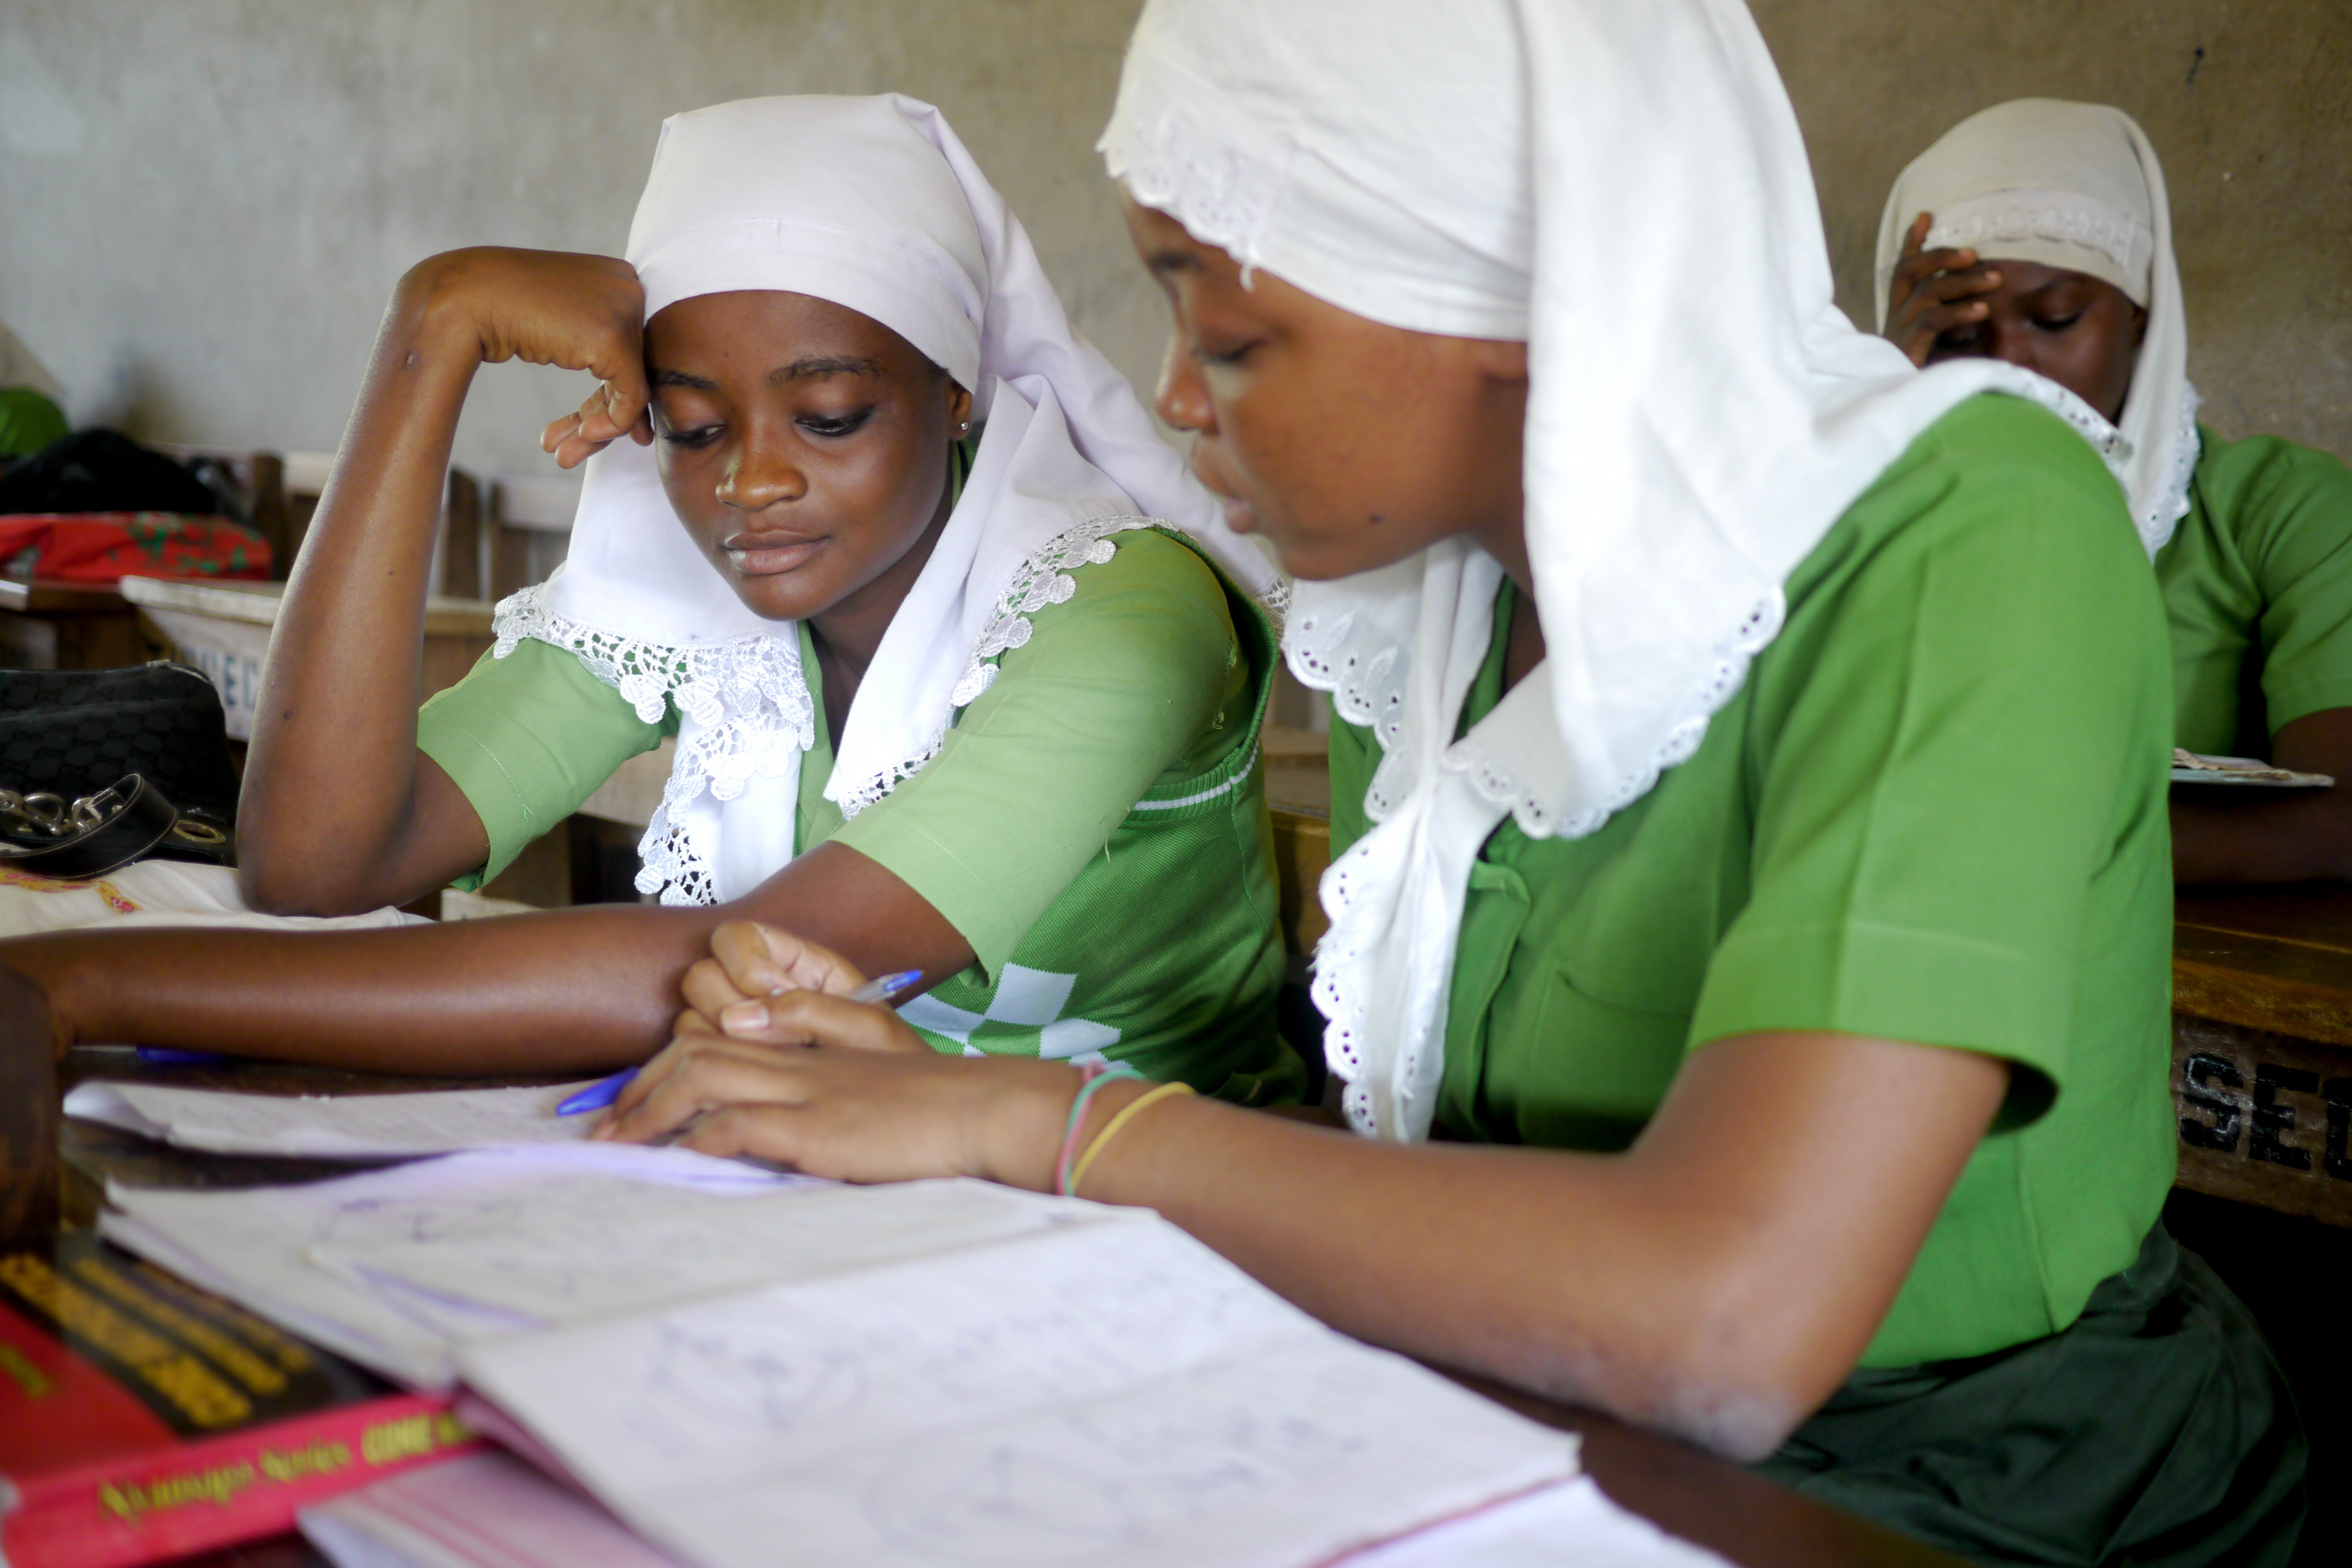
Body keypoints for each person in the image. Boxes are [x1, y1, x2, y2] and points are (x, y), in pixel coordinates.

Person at [589, 5, 2305, 1564]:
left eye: (1236, 333)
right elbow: (1428, 1161)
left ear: (1501, 302)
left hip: (1957, 1484)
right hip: (1518, 1408)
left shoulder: (1973, 525)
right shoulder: (1428, 608)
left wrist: (1037, 1121)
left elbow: (1725, 1314)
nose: (1179, 398)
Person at [1, 95, 1300, 1104]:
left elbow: (743, 965)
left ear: (959, 392)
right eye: (688, 428)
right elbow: (312, 865)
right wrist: (428, 337)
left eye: (831, 414)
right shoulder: (690, 591)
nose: (753, 480)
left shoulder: (1125, 609)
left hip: (1144, 1232)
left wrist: (83, 983)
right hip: (807, 1185)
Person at [1879, 99, 2352, 883]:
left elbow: (2338, 827)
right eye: (1959, 337)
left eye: (2057, 318)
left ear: (2142, 317)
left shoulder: (2283, 513)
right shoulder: (1869, 519)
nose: (2011, 367)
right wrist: (1876, 413)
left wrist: (1978, 828)